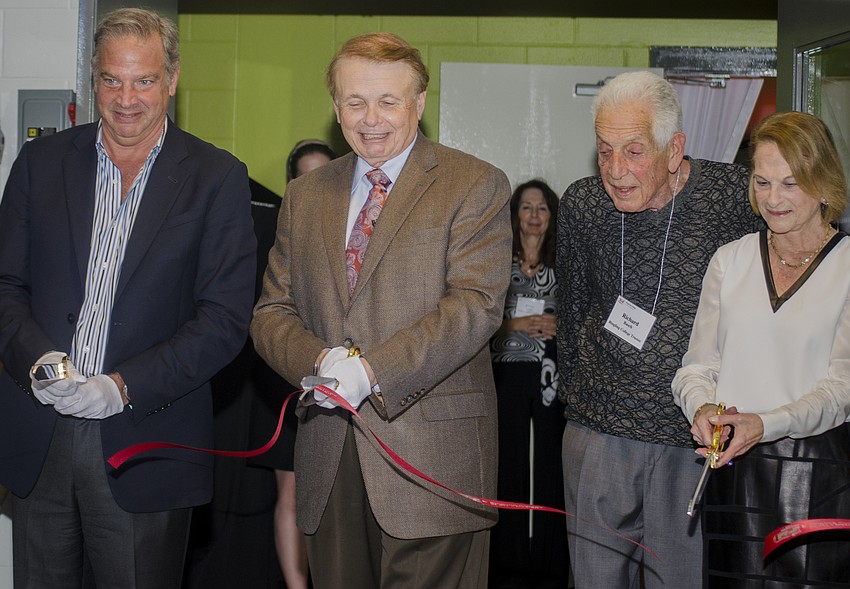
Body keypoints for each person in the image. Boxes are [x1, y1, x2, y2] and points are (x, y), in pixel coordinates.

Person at [0, 8, 256, 588]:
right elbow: (6, 285)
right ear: (94, 79)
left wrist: (121, 388)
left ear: (172, 79)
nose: (126, 98)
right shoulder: (41, 164)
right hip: (40, 435)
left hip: (148, 440)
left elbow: (223, 320)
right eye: (112, 79)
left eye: (144, 80)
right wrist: (37, 359)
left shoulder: (216, 177)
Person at [251, 32, 512, 589]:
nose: (371, 118)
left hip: (434, 463)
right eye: (354, 101)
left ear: (419, 103)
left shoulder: (474, 184)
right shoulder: (305, 195)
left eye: (388, 101)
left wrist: (371, 371)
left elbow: (476, 305)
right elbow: (271, 311)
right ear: (336, 107)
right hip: (329, 453)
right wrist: (321, 359)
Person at [556, 70, 761, 588]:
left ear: (674, 150)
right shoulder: (582, 205)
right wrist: (583, 403)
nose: (616, 170)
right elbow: (573, 311)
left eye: (633, 151)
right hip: (598, 436)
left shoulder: (734, 197)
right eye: (604, 151)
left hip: (689, 438)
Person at [672, 111, 850, 587]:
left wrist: (766, 424)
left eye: (790, 183)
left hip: (820, 476)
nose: (773, 199)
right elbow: (696, 367)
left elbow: (841, 390)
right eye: (763, 181)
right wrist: (703, 405)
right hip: (733, 474)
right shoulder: (730, 260)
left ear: (824, 183)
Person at [250, 139, 337, 589]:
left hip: (347, 379)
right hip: (288, 377)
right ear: (291, 185)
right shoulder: (275, 237)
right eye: (306, 177)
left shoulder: (354, 228)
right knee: (293, 488)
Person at [488, 179, 568, 589]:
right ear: (514, 214)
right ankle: (508, 565)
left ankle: (550, 566)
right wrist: (515, 324)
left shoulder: (563, 263)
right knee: (509, 463)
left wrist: (561, 326)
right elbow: (478, 325)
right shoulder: (497, 262)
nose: (534, 216)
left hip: (551, 375)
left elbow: (581, 318)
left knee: (551, 465)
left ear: (551, 216)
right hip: (507, 373)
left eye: (542, 209)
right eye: (526, 208)